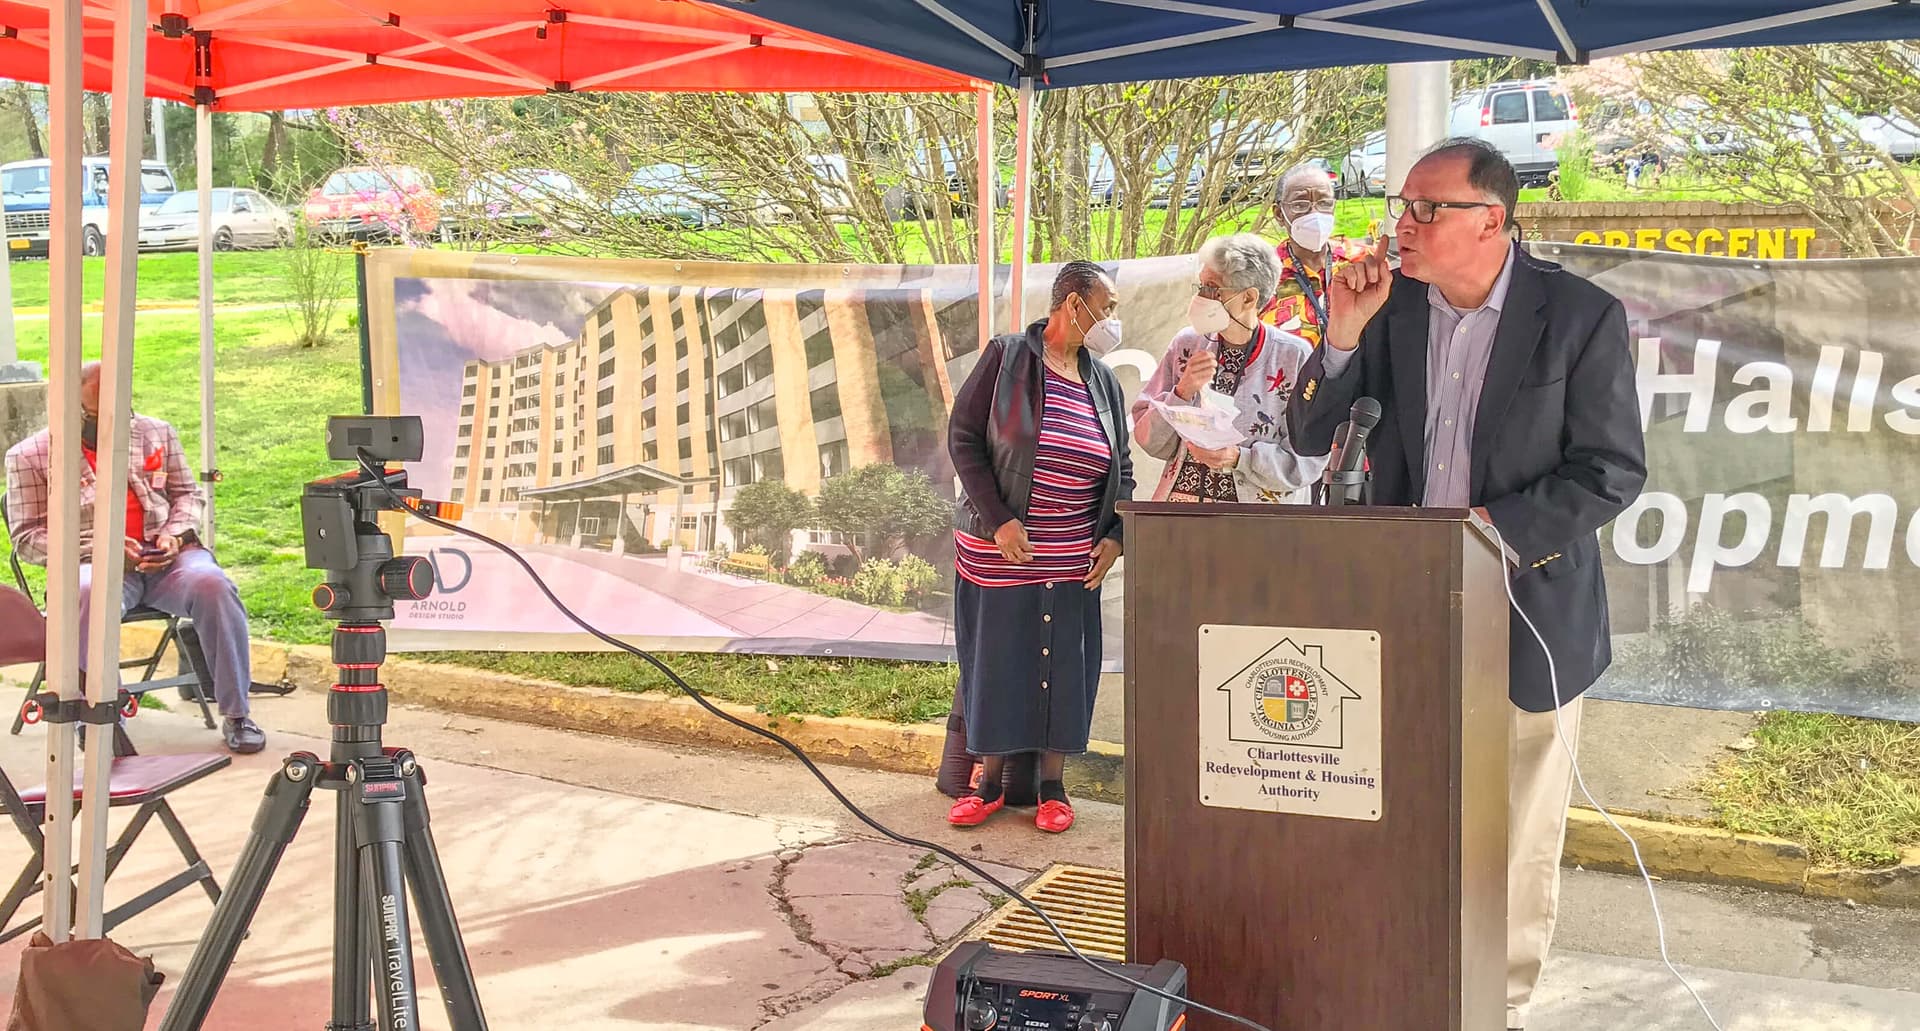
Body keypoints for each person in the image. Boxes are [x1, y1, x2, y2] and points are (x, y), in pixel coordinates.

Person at [1285, 139, 1646, 1031]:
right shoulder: (1391, 307)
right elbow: (1305, 432)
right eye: (1401, 205)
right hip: (1401, 611)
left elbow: (1611, 470)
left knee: (1514, 831)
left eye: (1424, 208)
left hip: (1528, 610)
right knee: (1396, 808)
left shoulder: (1579, 316)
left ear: (1492, 218)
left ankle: (1497, 1002)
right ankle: (1400, 973)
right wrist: (1340, 330)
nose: (1400, 224)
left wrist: (1492, 533)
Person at [945, 260, 1135, 835]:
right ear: (1072, 303)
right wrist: (999, 520)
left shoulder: (1105, 381)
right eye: (1106, 305)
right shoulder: (1006, 358)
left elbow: (1123, 469)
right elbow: (963, 440)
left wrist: (1116, 538)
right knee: (1001, 663)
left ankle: (1053, 787)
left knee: (1065, 667)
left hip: (1075, 552)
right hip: (1005, 550)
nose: (1111, 318)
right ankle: (989, 784)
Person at [5, 362, 267, 754]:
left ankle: (237, 712)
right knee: (89, 592)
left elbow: (187, 495)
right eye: (95, 412)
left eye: (119, 407)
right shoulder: (30, 456)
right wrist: (101, 548)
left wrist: (174, 534)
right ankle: (93, 714)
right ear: (70, 406)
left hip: (166, 558)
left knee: (214, 585)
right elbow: (28, 538)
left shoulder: (155, 432)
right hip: (93, 562)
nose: (110, 419)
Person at [1133, 233, 1326, 503]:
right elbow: (1147, 438)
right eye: (1200, 286)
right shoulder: (1187, 344)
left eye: (1212, 288)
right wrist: (1182, 391)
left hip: (1258, 526)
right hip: (1181, 518)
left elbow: (1309, 459)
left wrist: (1241, 458)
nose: (1201, 297)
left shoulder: (1293, 356)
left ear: (1248, 298)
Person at [1262, 163, 1370, 347]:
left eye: (1324, 203)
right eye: (1300, 204)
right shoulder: (1264, 274)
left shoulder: (1361, 262)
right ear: (1279, 214)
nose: (1314, 213)